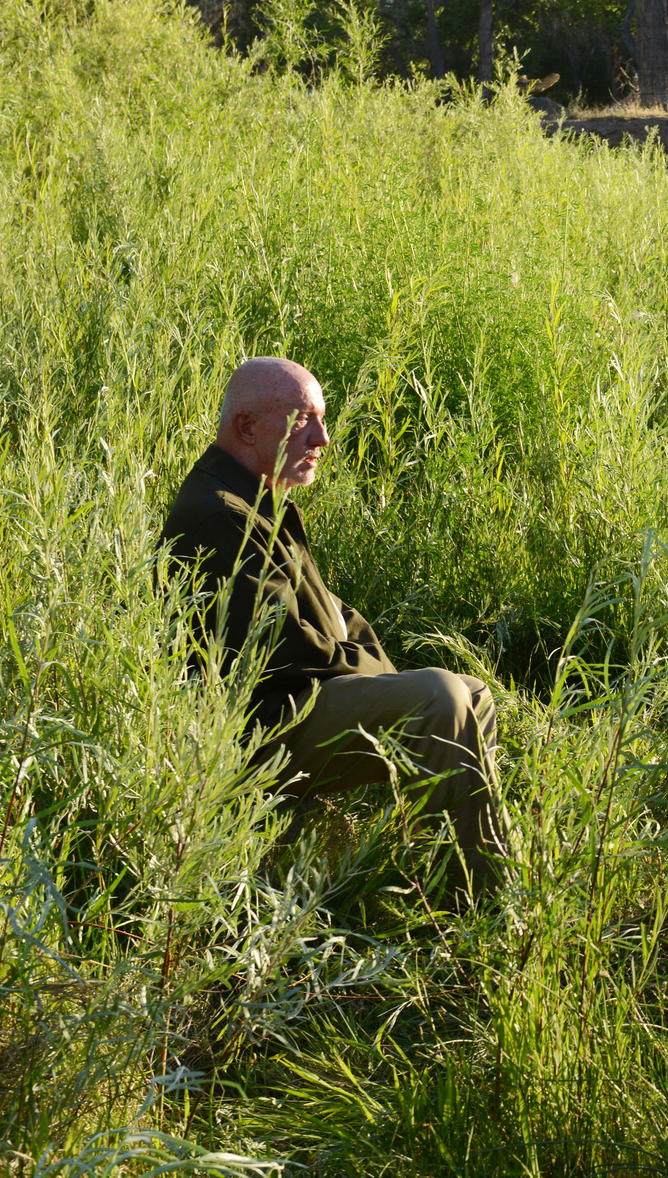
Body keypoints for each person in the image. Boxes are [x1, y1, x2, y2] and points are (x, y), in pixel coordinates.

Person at [162, 357, 503, 887]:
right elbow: (286, 651)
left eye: (321, 420)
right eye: (303, 420)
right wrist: (376, 670)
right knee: (440, 696)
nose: (322, 438)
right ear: (247, 427)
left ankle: (462, 877)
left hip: (295, 700)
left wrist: (364, 659)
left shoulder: (258, 497)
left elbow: (336, 615)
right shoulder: (221, 513)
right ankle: (473, 900)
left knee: (472, 694)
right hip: (259, 728)